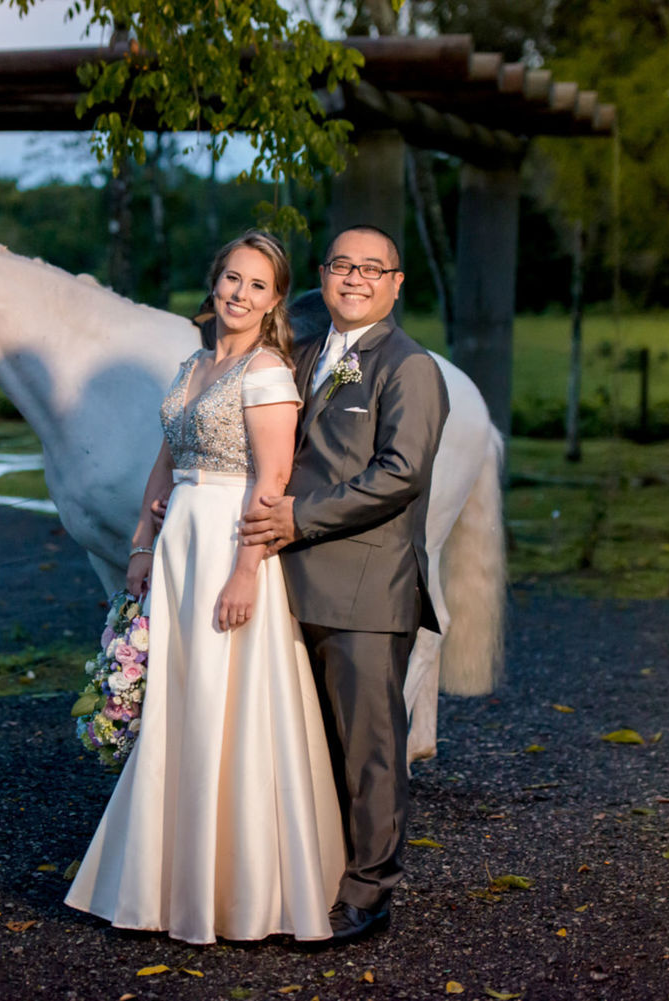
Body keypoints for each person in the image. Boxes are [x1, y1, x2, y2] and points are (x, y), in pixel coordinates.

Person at [64, 232, 345, 945]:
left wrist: (248, 571)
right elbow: (165, 464)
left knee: (228, 707)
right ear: (213, 282)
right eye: (230, 278)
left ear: (276, 299)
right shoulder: (193, 364)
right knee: (176, 705)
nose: (239, 294)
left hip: (227, 545)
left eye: (256, 285)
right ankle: (157, 882)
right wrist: (139, 546)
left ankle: (234, 892)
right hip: (177, 548)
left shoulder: (268, 371)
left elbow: (271, 481)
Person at [239, 224, 450, 941]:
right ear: (322, 276)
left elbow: (400, 473)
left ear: (396, 284)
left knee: (369, 750)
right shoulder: (300, 354)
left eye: (372, 268)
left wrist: (300, 516)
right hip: (286, 584)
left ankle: (369, 890)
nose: (354, 278)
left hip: (364, 588)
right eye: (341, 266)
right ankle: (313, 870)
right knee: (310, 744)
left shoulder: (409, 366)